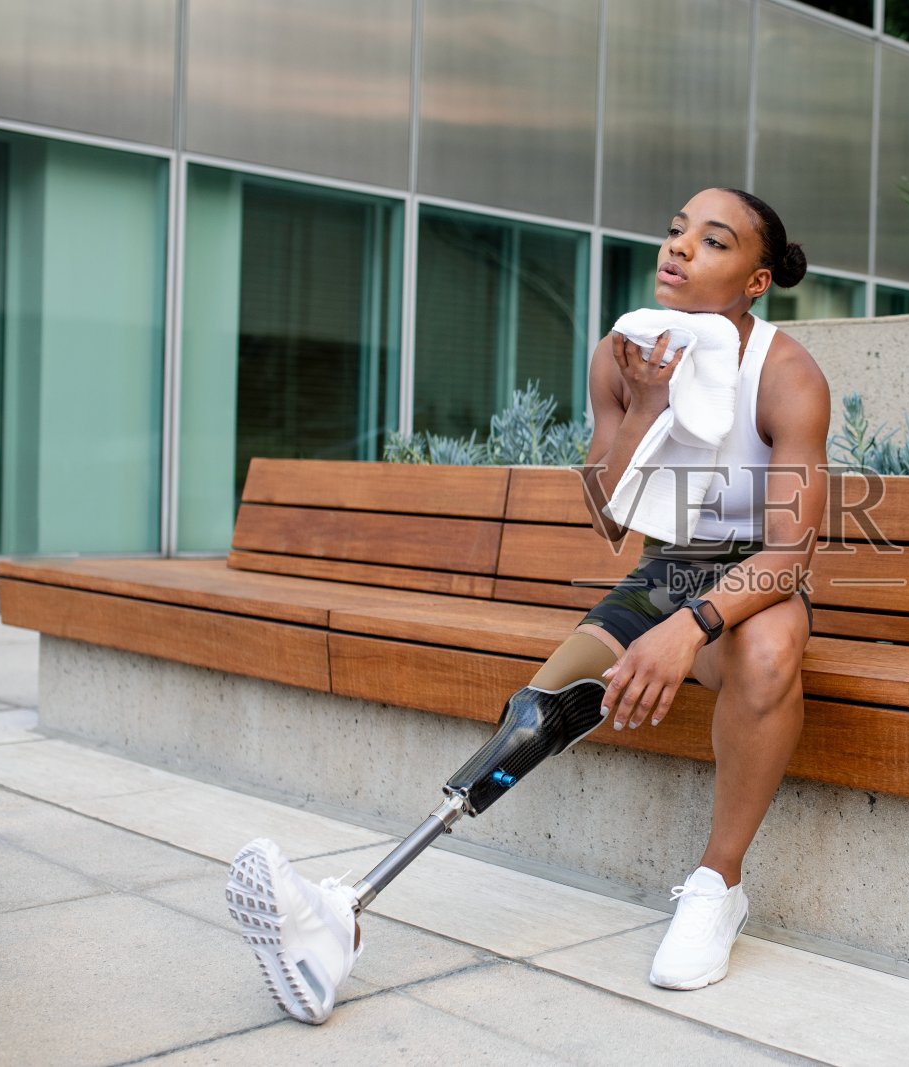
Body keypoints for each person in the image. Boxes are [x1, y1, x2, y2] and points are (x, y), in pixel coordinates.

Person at [226, 187, 831, 1024]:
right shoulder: (625, 354)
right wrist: (648, 408)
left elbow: (787, 551)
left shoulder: (785, 372)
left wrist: (685, 632)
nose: (680, 247)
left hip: (750, 583)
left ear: (756, 281)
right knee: (535, 715)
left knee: (767, 652)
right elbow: (613, 518)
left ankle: (716, 886)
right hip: (666, 571)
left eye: (713, 241)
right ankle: (339, 914)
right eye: (674, 229)